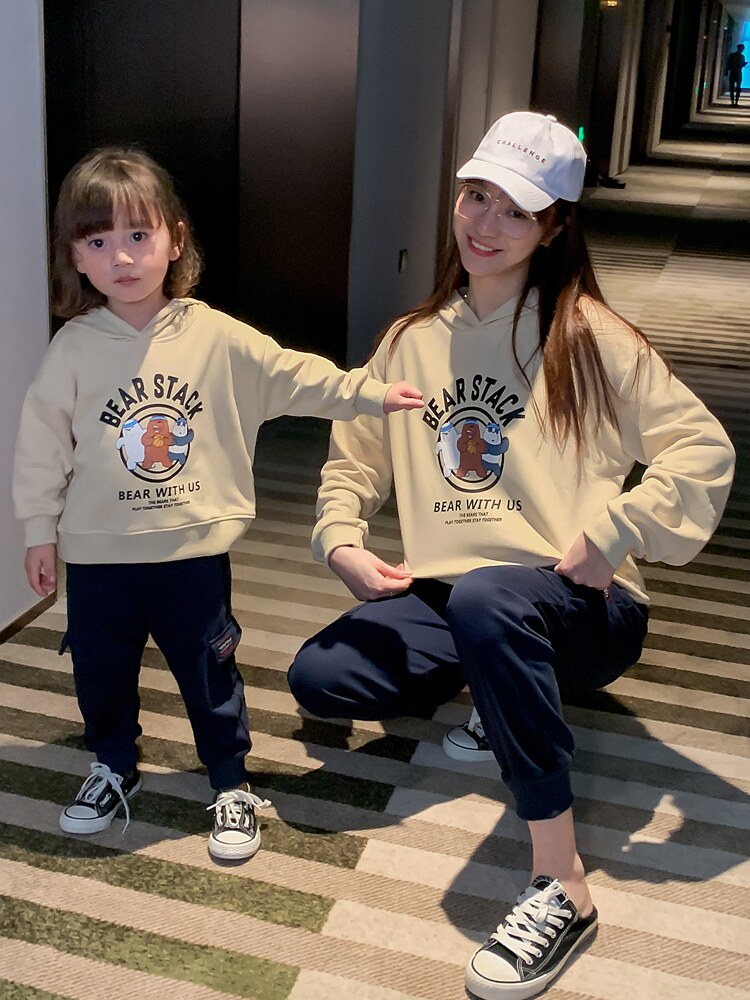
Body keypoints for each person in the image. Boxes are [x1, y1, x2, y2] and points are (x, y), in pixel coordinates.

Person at [287, 112, 735, 999]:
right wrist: (338, 537)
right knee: (323, 678)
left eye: (516, 210)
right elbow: (355, 460)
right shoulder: (412, 338)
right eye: (475, 196)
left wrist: (619, 530)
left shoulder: (591, 337)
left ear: (555, 225)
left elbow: (704, 450)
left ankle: (562, 883)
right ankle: (500, 681)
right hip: (460, 591)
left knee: (491, 600)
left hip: (581, 603)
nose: (484, 224)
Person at [13, 146, 424, 863]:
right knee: (99, 672)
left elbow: (293, 376)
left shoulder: (213, 336)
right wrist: (37, 530)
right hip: (99, 557)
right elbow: (41, 447)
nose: (122, 258)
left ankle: (230, 780)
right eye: (98, 242)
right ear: (75, 257)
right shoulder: (73, 349)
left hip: (191, 552)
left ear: (174, 239)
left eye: (138, 235)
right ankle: (112, 764)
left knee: (209, 671)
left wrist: (369, 393)